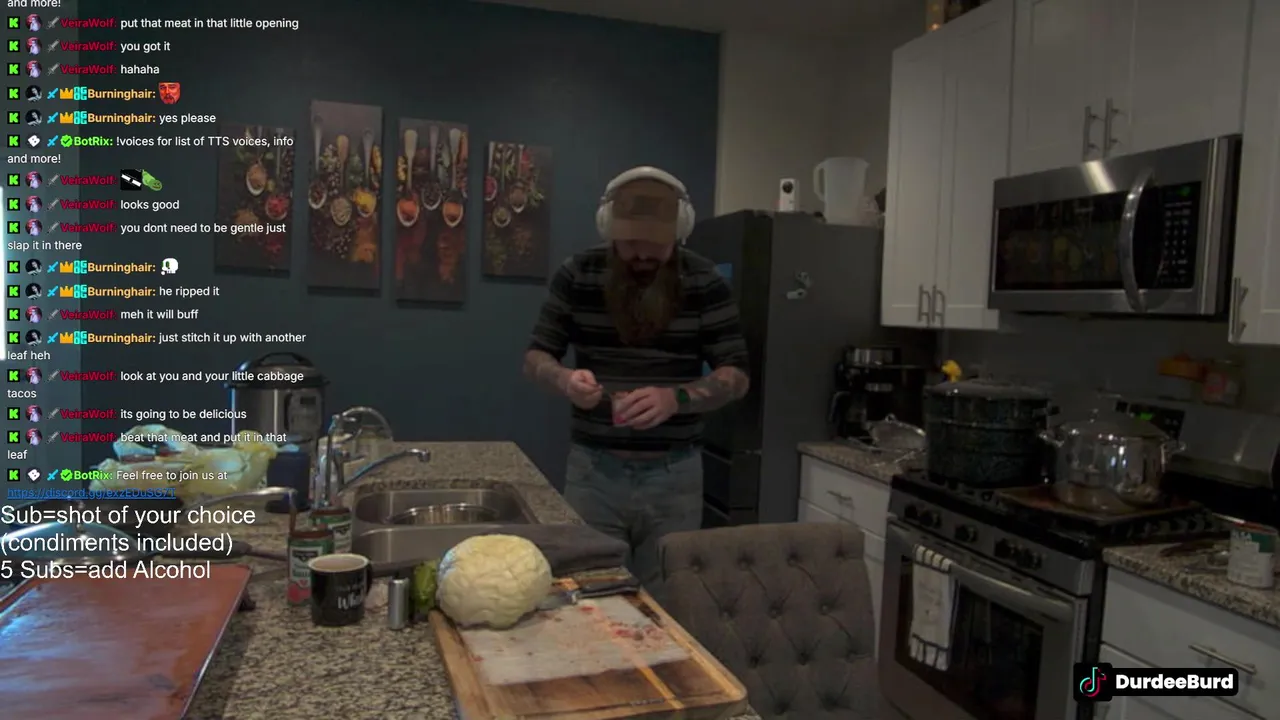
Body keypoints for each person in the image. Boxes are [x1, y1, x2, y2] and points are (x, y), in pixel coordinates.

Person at [523, 166, 749, 589]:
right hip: (593, 475)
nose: (642, 255)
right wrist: (565, 379)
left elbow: (735, 376)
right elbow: (536, 358)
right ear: (608, 229)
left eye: (656, 245)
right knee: (589, 594)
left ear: (679, 232)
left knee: (666, 601)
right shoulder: (577, 274)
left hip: (676, 477)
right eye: (630, 244)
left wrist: (677, 398)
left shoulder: (705, 281)